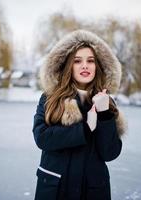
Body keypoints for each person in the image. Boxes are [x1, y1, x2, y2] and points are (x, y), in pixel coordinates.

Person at [32, 30, 126, 200]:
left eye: (90, 61)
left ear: (98, 67)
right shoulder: (50, 98)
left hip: (92, 191)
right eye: (77, 61)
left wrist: (104, 114)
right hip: (55, 189)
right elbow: (42, 138)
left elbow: (110, 153)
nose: (85, 66)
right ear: (68, 66)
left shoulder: (106, 102)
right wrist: (85, 128)